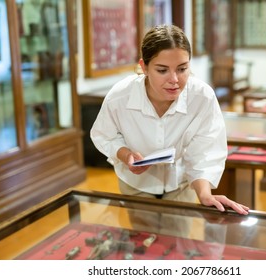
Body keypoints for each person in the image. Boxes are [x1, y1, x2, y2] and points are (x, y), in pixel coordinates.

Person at [90, 24, 249, 217]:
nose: (174, 79)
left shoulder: (202, 97)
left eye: (182, 69)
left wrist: (205, 194)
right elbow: (104, 135)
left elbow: (205, 151)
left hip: (181, 184)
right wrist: (125, 155)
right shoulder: (120, 96)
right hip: (135, 185)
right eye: (162, 70)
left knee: (178, 243)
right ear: (144, 67)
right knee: (143, 242)